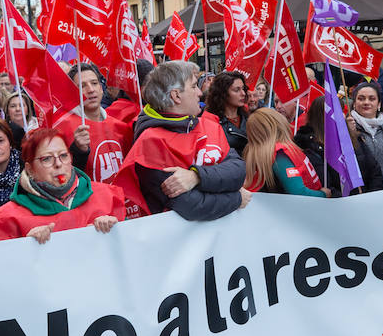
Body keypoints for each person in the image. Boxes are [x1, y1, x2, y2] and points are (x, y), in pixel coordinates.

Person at [114, 61, 250, 220]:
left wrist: (196, 177)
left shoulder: (209, 125)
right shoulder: (150, 144)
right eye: (193, 86)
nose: (200, 92)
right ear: (176, 95)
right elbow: (192, 205)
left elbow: (238, 170)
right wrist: (237, 198)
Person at [0, 127, 125, 243]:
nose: (58, 164)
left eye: (63, 156)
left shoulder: (107, 196)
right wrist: (23, 247)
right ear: (30, 169)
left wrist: (115, 231)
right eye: (47, 159)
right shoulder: (6, 218)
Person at [296, 96, 383, 195]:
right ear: (321, 116)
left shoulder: (354, 138)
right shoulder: (310, 147)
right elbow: (325, 186)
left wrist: (370, 196)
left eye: (341, 110)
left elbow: (374, 170)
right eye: (335, 111)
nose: (342, 115)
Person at [59, 63, 132, 182]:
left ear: (101, 88)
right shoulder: (62, 129)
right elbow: (62, 179)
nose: (91, 90)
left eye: (94, 83)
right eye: (82, 86)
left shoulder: (120, 127)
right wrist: (77, 151)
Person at [242, 108, 325, 197]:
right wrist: (324, 194)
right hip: (297, 207)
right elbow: (299, 192)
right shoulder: (279, 154)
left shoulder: (251, 153)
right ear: (278, 125)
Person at [349, 80, 383, 190]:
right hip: (363, 197)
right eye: (361, 98)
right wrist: (349, 135)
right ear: (354, 104)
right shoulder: (346, 129)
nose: (366, 102)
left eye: (372, 99)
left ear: (379, 104)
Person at [206, 71, 250, 154]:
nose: (243, 93)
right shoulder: (211, 122)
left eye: (243, 89)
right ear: (223, 93)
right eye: (237, 90)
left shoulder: (249, 118)